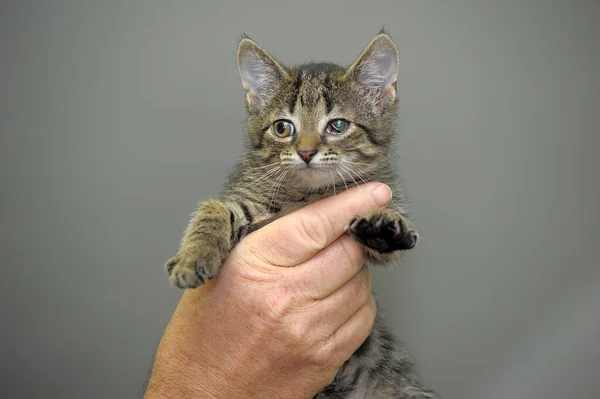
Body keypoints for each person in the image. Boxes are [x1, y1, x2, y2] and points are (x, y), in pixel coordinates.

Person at [143, 183, 393, 398]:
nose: (307, 149)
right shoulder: (264, 186)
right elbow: (231, 214)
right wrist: (205, 238)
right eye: (283, 128)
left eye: (337, 125)